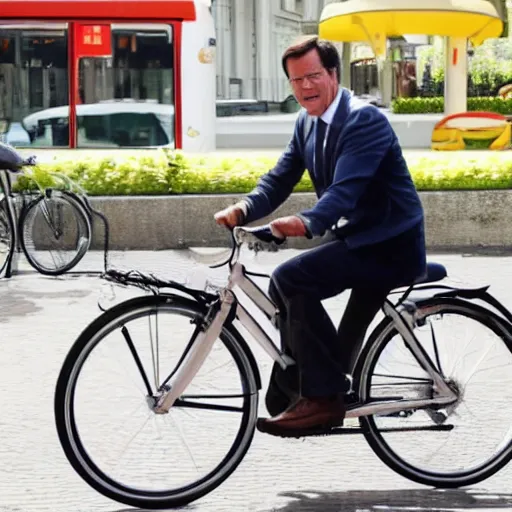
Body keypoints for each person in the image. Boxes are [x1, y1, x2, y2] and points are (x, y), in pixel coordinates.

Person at [214, 36, 426, 438]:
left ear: (333, 74)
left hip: (391, 243)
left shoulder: (364, 120)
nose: (304, 87)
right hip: (359, 238)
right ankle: (310, 382)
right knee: (285, 283)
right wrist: (244, 208)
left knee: (293, 278)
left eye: (312, 76)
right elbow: (280, 178)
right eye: (295, 80)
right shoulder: (307, 122)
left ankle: (323, 395)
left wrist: (308, 222)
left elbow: (343, 191)